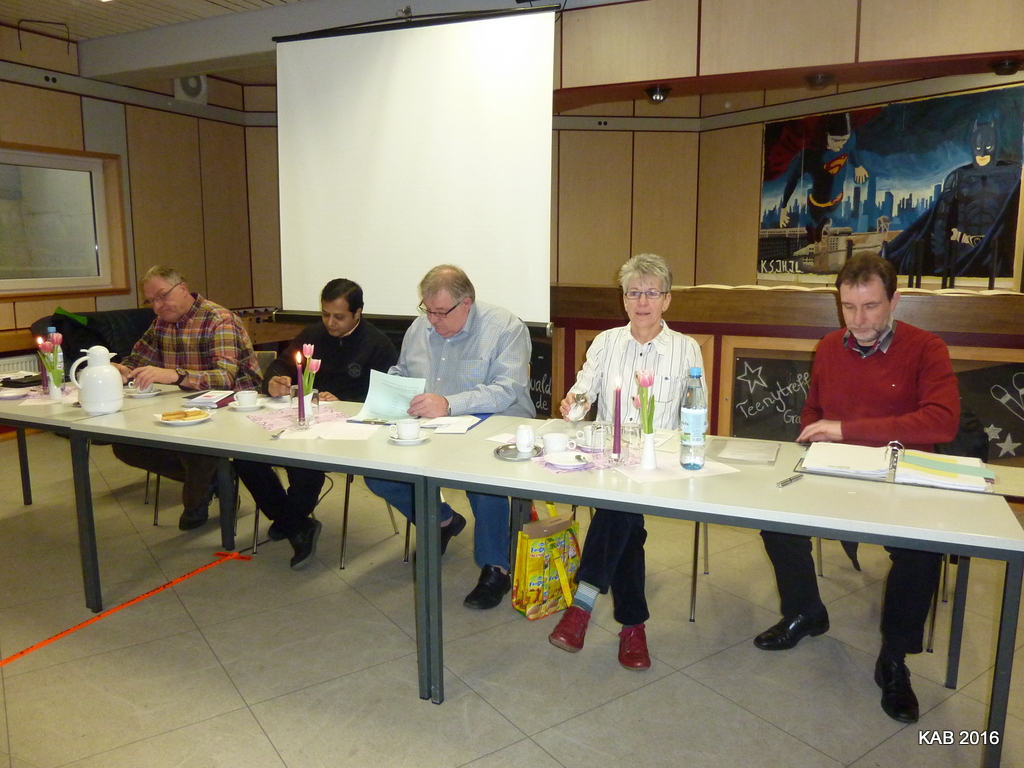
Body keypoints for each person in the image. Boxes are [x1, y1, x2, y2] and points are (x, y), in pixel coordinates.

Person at [754, 253, 959, 724]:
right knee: (775, 519)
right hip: (838, 470)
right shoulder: (830, 347)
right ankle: (806, 612)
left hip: (900, 474)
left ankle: (894, 657)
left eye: (870, 306)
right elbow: (813, 410)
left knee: (921, 551)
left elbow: (942, 421)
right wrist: (815, 435)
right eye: (848, 307)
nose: (859, 320)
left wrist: (846, 430)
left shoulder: (926, 348)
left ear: (894, 301)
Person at [547, 254, 704, 669]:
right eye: (634, 293)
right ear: (623, 299)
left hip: (660, 463)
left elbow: (696, 412)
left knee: (618, 512)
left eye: (652, 293)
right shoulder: (606, 342)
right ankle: (632, 627)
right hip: (610, 460)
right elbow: (583, 393)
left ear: (667, 300)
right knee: (625, 522)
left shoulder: (686, 349)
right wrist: (575, 404)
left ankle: (583, 604)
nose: (642, 302)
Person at [363, 265, 534, 609]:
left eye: (441, 313)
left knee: (482, 481)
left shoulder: (506, 328)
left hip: (495, 424)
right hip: (434, 426)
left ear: (466, 303)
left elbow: (507, 390)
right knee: (378, 473)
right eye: (428, 310)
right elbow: (403, 372)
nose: (433, 321)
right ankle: (443, 519)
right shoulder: (420, 328)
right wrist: (391, 392)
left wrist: (449, 404)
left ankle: (496, 567)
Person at [234, 278, 398, 569]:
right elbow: (281, 365)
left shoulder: (378, 344)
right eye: (325, 314)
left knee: (303, 463)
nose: (330, 323)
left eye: (339, 317)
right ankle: (296, 523)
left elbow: (384, 396)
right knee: (245, 457)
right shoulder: (312, 335)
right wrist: (273, 381)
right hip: (305, 421)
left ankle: (290, 521)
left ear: (358, 313)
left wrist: (344, 400)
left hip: (349, 430)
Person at [112, 266, 262, 531]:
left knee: (196, 447)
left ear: (182, 289)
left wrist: (176, 375)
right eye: (151, 301)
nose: (157, 306)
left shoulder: (219, 319)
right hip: (184, 407)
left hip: (232, 407)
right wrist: (122, 370)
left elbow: (225, 377)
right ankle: (216, 479)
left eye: (162, 296)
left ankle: (197, 495)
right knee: (125, 446)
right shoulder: (161, 323)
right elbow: (137, 360)